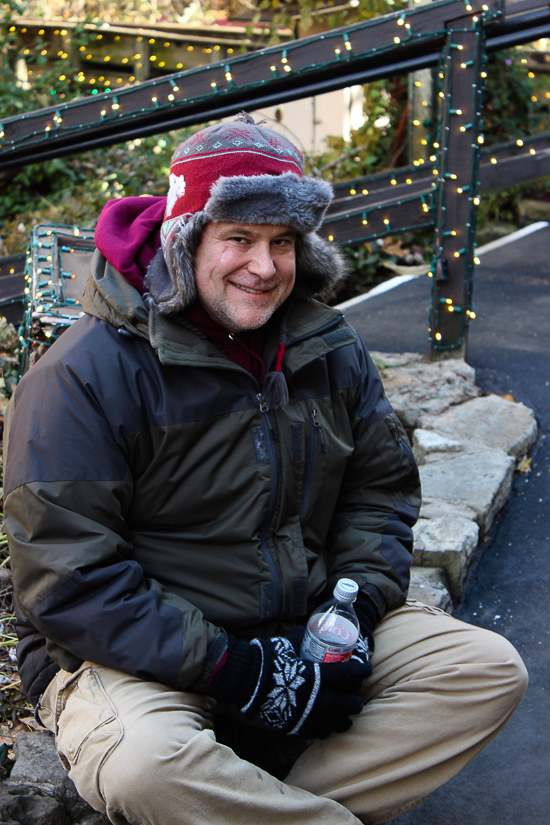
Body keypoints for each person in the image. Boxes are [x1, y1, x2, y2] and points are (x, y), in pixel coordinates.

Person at [4, 114, 527, 825]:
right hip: (136, 654)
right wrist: (239, 669)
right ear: (187, 241)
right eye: (240, 239)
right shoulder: (84, 374)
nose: (265, 266)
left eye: (283, 243)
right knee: (143, 761)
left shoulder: (325, 342)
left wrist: (353, 606)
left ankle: (255, 810)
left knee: (485, 669)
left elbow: (380, 490)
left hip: (302, 621)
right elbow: (69, 580)